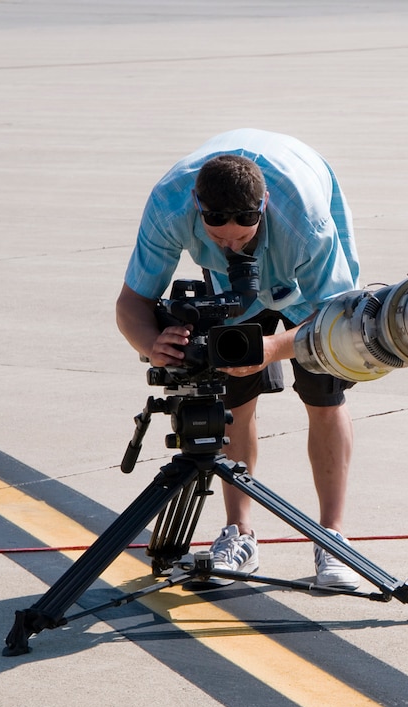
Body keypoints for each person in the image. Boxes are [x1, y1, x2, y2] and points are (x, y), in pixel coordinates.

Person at [115, 129, 362, 589]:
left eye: (242, 237)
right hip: (233, 293)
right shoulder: (170, 207)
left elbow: (337, 319)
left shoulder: (305, 223)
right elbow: (131, 303)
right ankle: (239, 533)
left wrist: (274, 349)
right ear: (197, 207)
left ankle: (332, 537)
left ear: (262, 208)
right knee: (231, 393)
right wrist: (152, 343)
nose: (230, 246)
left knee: (322, 393)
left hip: (305, 284)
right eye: (217, 237)